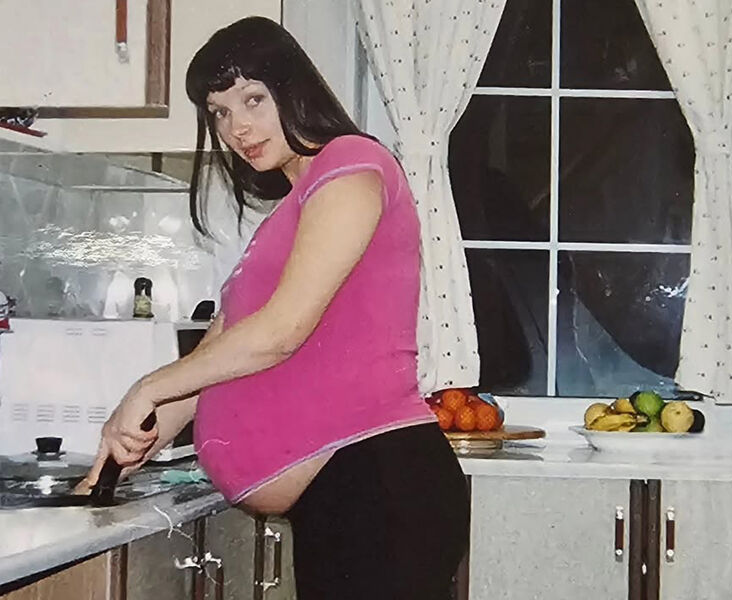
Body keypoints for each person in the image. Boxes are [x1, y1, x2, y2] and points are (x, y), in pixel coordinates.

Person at [79, 16, 470, 599]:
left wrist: (146, 389)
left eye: (253, 99)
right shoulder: (288, 214)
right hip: (347, 497)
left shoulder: (352, 163)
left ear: (295, 88)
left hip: (379, 485)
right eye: (219, 112)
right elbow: (216, 356)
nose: (237, 127)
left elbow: (281, 331)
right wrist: (124, 451)